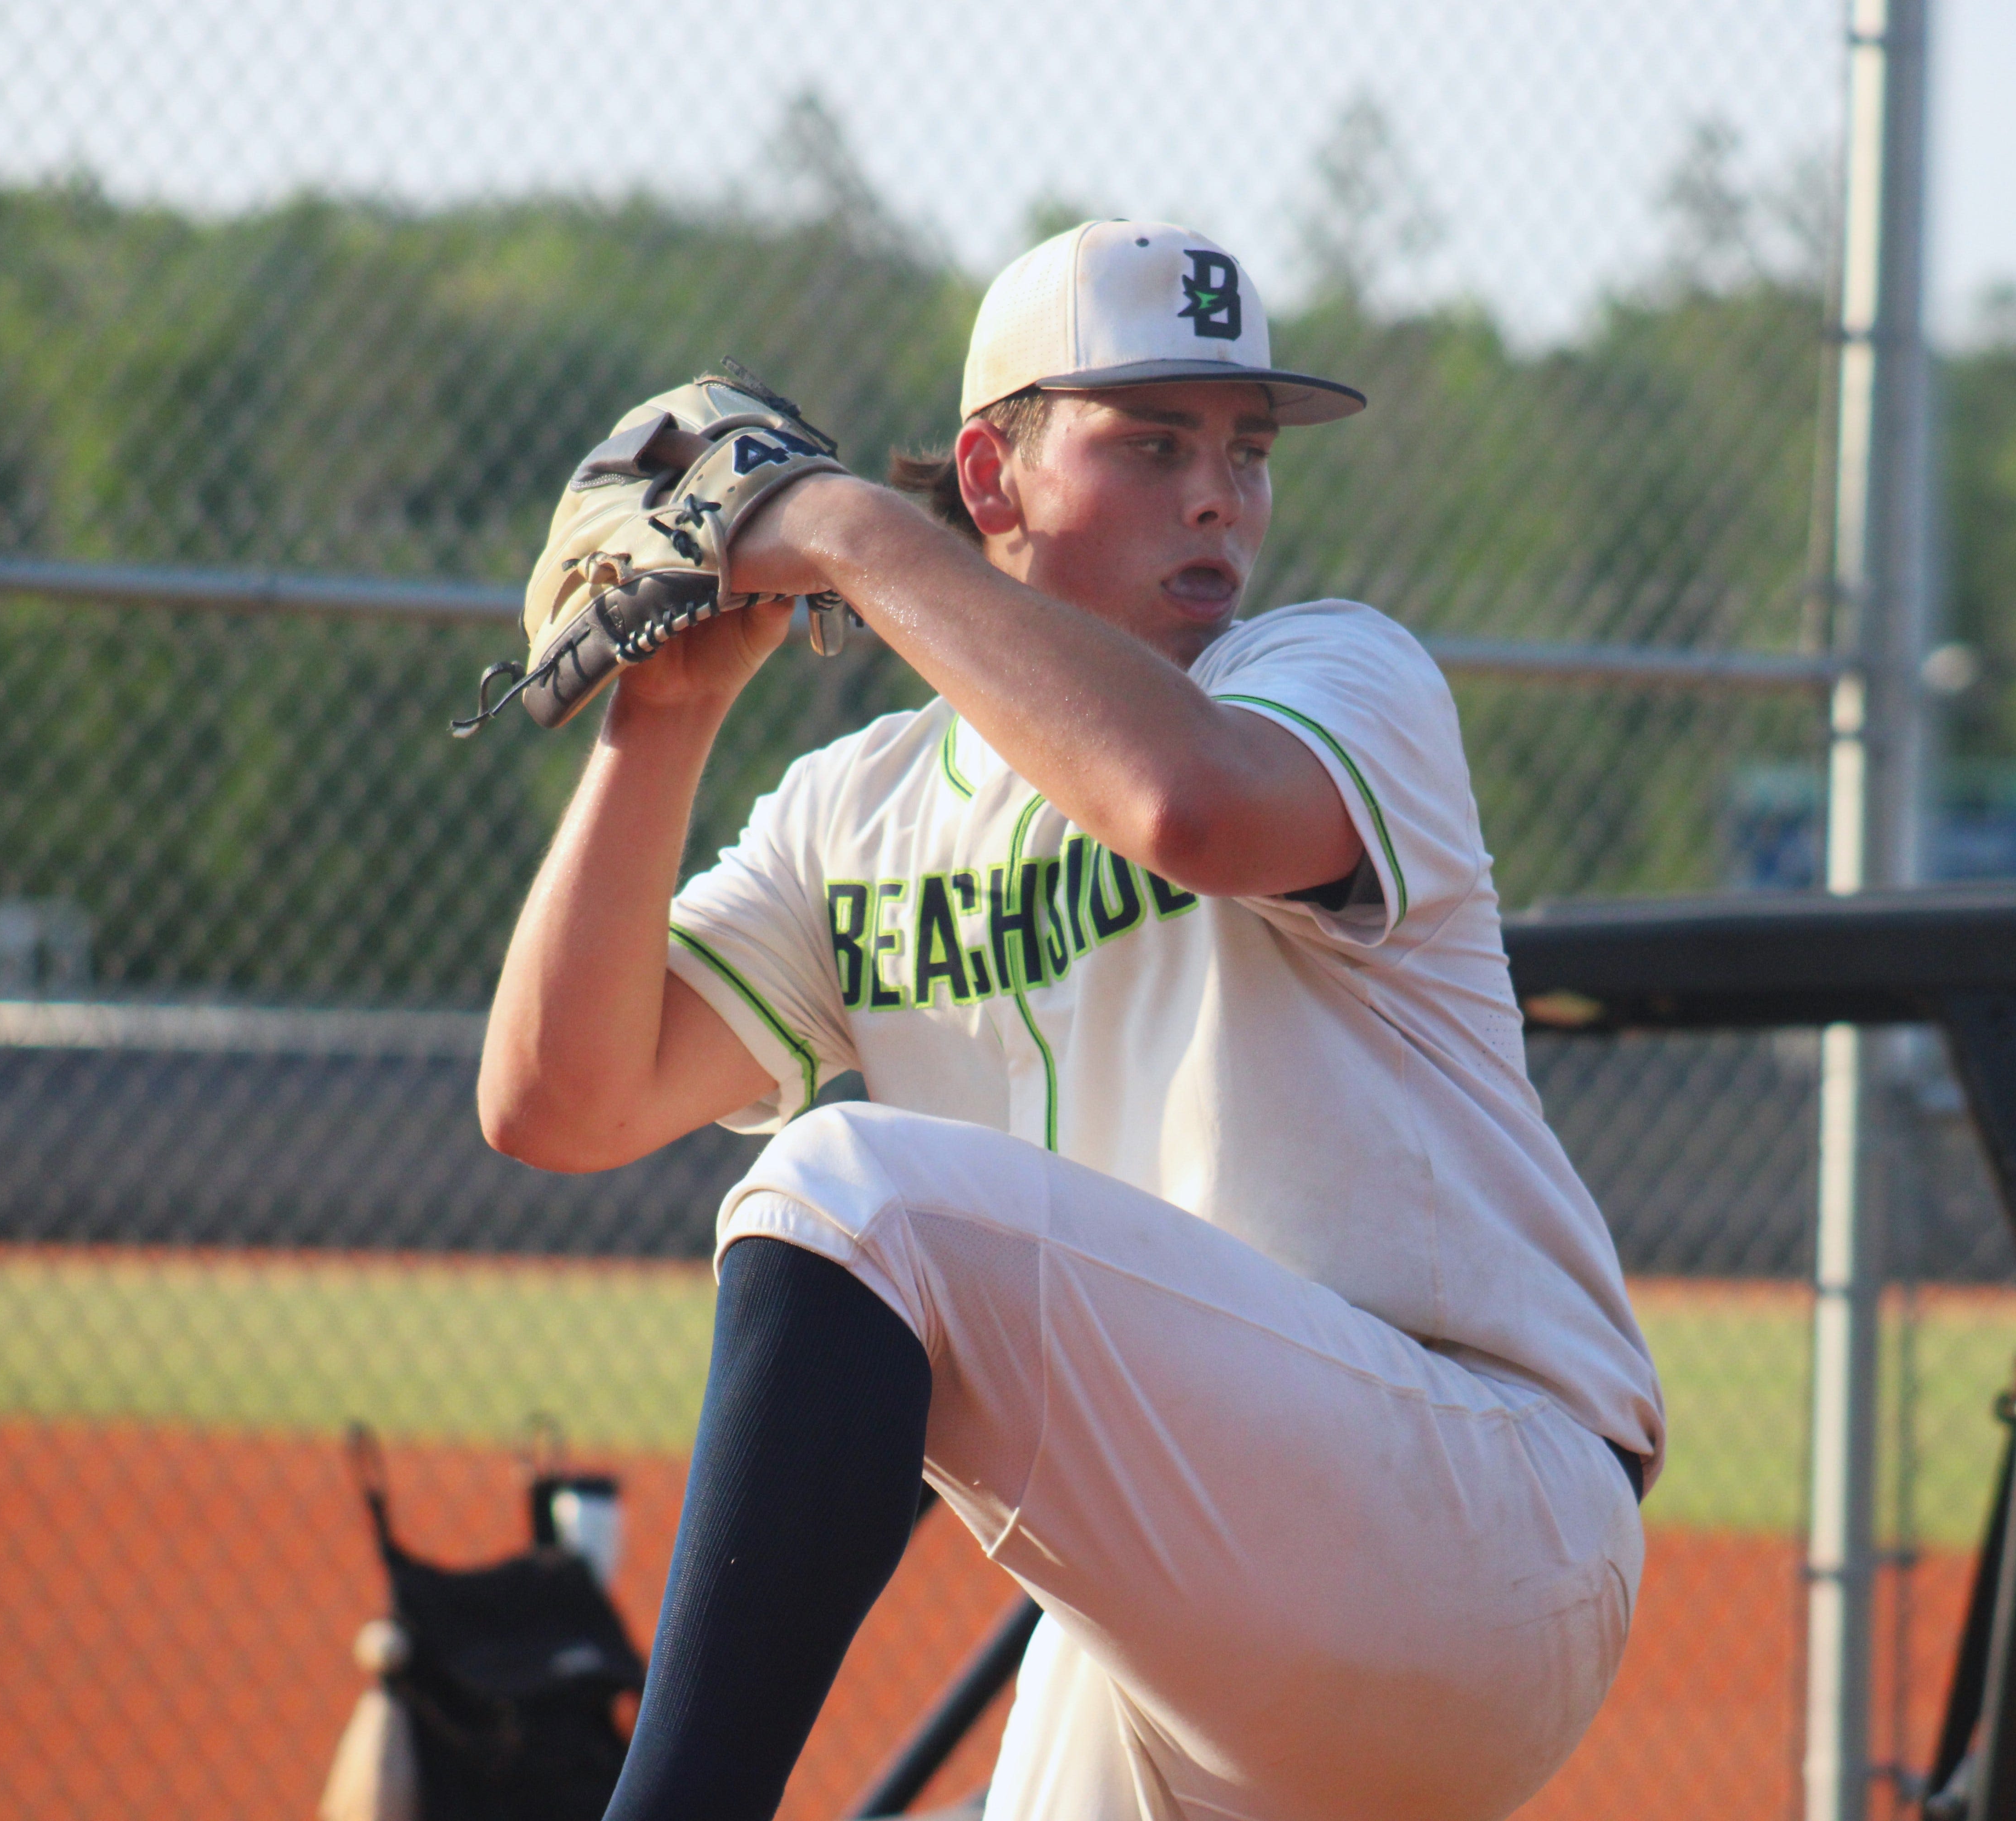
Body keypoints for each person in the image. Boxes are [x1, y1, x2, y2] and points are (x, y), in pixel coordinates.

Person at [479, 219, 1663, 1821]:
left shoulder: (1338, 677)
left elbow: (1182, 804)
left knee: (851, 1189)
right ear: (994, 477)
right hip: (1176, 1616)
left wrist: (840, 533)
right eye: (1154, 440)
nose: (1220, 495)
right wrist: (664, 721)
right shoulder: (859, 810)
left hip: (1473, 1518)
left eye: (1247, 449)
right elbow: (561, 1101)